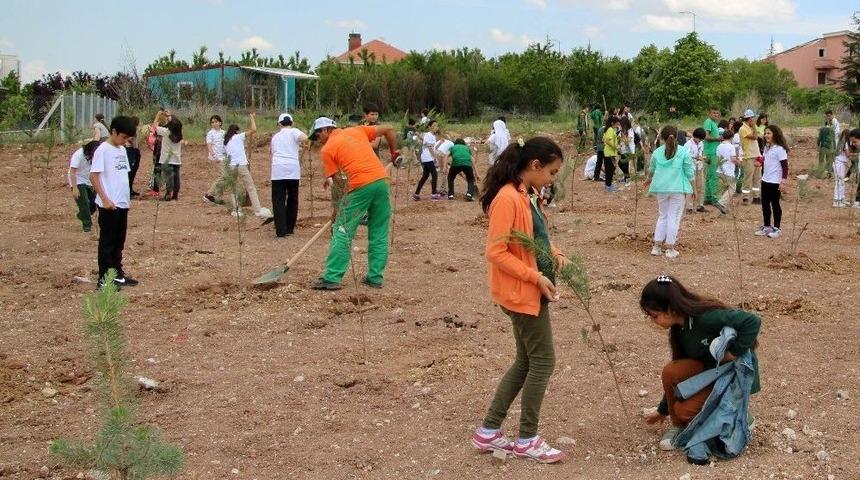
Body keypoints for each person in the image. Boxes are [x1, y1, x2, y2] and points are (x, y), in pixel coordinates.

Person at [471, 137, 567, 464]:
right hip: (521, 294)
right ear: (535, 166)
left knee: (526, 361)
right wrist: (534, 276)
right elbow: (496, 251)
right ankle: (528, 438)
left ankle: (489, 431)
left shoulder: (527, 194)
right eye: (552, 172)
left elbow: (534, 238)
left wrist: (554, 254)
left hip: (531, 290)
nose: (553, 179)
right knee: (543, 361)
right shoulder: (508, 199)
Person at [640, 275, 761, 460]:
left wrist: (734, 352)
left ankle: (739, 414)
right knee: (671, 371)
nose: (652, 321)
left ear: (671, 309)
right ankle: (680, 426)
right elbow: (676, 377)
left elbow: (752, 321)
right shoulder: (679, 330)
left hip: (732, 376)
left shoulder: (706, 318)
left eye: (654, 316)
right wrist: (662, 410)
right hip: (711, 371)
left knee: (683, 411)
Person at [308, 117, 399, 290]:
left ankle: (332, 276)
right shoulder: (358, 130)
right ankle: (375, 277)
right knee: (379, 230)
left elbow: (339, 183)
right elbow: (389, 128)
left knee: (342, 229)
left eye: (317, 134)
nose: (317, 139)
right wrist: (395, 152)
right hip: (381, 182)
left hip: (360, 186)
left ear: (326, 130)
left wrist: (337, 210)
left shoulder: (328, 150)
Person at [90, 116, 139, 288]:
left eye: (128, 138)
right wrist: (105, 199)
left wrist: (126, 200)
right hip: (108, 205)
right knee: (107, 243)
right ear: (113, 132)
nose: (125, 141)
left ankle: (117, 274)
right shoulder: (103, 150)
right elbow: (94, 176)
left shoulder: (121, 150)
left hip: (122, 203)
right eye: (123, 137)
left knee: (119, 241)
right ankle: (104, 279)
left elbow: (123, 176)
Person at [645, 125, 694, 259]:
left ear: (661, 138)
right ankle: (670, 248)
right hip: (678, 189)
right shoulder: (683, 151)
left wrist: (648, 180)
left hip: (661, 188)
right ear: (677, 136)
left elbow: (651, 170)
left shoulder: (657, 152)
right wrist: (694, 189)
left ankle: (656, 247)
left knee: (663, 216)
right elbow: (690, 172)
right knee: (674, 217)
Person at [224, 113, 272, 219]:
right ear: (236, 131)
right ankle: (258, 210)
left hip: (231, 166)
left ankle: (236, 210)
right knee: (250, 187)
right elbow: (254, 129)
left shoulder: (226, 142)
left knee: (233, 188)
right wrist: (251, 118)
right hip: (241, 166)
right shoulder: (239, 136)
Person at [270, 113, 308, 237]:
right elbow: (305, 138)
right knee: (293, 198)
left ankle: (280, 230)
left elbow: (272, 152)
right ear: (291, 123)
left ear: (279, 124)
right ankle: (290, 228)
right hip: (292, 169)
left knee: (278, 200)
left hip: (278, 169)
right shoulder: (294, 131)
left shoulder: (275, 137)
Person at [755, 125, 789, 238]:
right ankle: (767, 227)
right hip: (765, 180)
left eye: (768, 133)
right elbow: (765, 160)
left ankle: (777, 228)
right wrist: (760, 162)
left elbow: (785, 166)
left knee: (775, 205)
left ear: (775, 134)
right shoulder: (766, 147)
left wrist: (783, 181)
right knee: (765, 205)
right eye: (765, 133)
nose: (766, 135)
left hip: (775, 182)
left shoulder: (780, 149)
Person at [68, 140, 100, 232]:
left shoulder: (96, 156)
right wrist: (74, 188)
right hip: (77, 180)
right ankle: (87, 225)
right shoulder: (78, 155)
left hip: (88, 180)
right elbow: (72, 172)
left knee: (94, 203)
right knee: (84, 203)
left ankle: (82, 215)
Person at [152, 111, 183, 201]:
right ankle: (175, 195)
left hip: (166, 159)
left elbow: (155, 126)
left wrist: (158, 116)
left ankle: (168, 193)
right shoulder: (179, 134)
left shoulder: (166, 132)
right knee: (176, 178)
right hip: (176, 159)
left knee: (168, 177)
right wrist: (168, 116)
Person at [738, 110, 761, 205]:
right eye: (753, 118)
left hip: (756, 155)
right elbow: (755, 137)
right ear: (750, 118)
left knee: (757, 178)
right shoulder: (743, 129)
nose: (754, 120)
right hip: (748, 157)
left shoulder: (749, 127)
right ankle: (745, 198)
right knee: (748, 178)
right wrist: (754, 126)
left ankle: (756, 196)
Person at [414, 120, 441, 200]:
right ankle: (434, 194)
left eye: (437, 125)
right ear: (429, 127)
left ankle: (416, 194)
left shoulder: (433, 136)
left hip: (426, 158)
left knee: (425, 176)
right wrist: (435, 158)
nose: (436, 127)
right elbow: (429, 148)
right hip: (428, 158)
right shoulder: (428, 135)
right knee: (434, 174)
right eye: (434, 125)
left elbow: (433, 147)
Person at [203, 115, 227, 205]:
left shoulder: (223, 133)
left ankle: (219, 197)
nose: (214, 123)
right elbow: (209, 145)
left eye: (216, 121)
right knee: (223, 176)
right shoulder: (210, 133)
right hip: (216, 158)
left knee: (224, 177)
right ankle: (209, 193)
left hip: (224, 157)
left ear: (220, 123)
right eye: (212, 122)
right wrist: (214, 156)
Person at [715, 130, 740, 215]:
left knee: (724, 189)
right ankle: (721, 203)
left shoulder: (719, 146)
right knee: (732, 188)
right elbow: (733, 159)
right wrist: (739, 162)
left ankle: (722, 208)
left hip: (719, 170)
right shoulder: (731, 146)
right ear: (731, 137)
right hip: (728, 171)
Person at [702, 107, 722, 206]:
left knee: (710, 175)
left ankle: (708, 197)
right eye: (714, 113)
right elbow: (706, 137)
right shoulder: (708, 122)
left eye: (717, 113)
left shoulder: (714, 123)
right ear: (709, 114)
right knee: (713, 176)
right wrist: (717, 139)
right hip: (710, 152)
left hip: (713, 152)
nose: (716, 115)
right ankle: (714, 198)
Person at [684, 128, 706, 213]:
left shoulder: (701, 143)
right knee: (690, 188)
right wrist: (695, 157)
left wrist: (701, 158)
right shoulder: (687, 145)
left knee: (700, 186)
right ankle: (689, 207)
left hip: (699, 167)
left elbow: (701, 153)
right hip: (691, 168)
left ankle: (700, 205)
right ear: (694, 136)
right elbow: (686, 157)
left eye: (701, 139)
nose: (699, 140)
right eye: (699, 138)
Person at [832, 130, 852, 207]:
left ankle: (841, 198)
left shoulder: (840, 141)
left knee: (841, 181)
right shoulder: (846, 142)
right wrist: (856, 154)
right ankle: (837, 201)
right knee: (839, 182)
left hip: (839, 163)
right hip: (839, 163)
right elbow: (847, 154)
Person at [602, 115, 621, 192]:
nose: (617, 126)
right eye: (616, 124)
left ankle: (608, 185)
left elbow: (604, 139)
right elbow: (608, 141)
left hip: (609, 153)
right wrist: (616, 147)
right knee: (610, 170)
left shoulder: (609, 130)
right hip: (609, 153)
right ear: (612, 123)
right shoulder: (610, 130)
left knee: (610, 169)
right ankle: (609, 186)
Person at [126, 116, 142, 197]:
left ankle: (130, 190)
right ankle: (128, 191)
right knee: (130, 171)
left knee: (133, 171)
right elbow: (129, 138)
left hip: (134, 150)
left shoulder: (134, 129)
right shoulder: (132, 129)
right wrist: (133, 144)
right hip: (131, 149)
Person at [618, 116, 635, 185]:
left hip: (628, 150)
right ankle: (626, 177)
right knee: (622, 164)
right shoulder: (622, 130)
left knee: (623, 164)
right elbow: (619, 139)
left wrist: (623, 138)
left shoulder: (630, 130)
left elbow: (629, 140)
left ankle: (627, 179)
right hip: (623, 150)